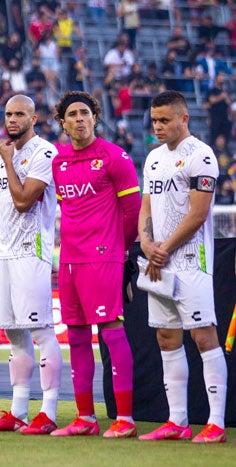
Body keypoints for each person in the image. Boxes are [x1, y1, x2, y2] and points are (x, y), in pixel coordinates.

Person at [138, 91, 227, 444]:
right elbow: (146, 205)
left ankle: (216, 423)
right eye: (154, 120)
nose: (157, 127)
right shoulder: (153, 158)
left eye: (164, 120)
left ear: (183, 118)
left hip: (191, 260)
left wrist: (165, 249)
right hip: (160, 261)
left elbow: (198, 213)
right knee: (165, 336)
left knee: (204, 336)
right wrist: (147, 244)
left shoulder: (201, 155)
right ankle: (177, 421)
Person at [50, 91, 140, 438]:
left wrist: (117, 250)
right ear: (63, 122)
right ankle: (85, 418)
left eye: (84, 112)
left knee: (111, 333)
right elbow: (67, 210)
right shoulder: (59, 162)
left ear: (95, 117)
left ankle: (125, 420)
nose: (79, 119)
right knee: (74, 336)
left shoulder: (115, 157)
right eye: (71, 114)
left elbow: (132, 214)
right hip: (70, 259)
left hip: (103, 258)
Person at [0, 95, 62, 434]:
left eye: (19, 114)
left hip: (32, 250)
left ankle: (49, 410)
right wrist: (7, 160)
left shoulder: (44, 153)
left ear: (34, 117)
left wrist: (10, 162)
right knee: (13, 332)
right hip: (6, 251)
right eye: (8, 114)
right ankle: (17, 411)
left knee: (41, 329)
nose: (12, 120)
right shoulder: (4, 154)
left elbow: (25, 201)